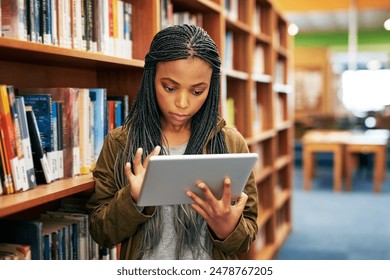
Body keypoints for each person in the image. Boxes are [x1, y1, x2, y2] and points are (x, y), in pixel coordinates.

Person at [87, 24, 258, 260]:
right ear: (151, 78)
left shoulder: (231, 142)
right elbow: (101, 232)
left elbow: (246, 236)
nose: (182, 103)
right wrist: (133, 199)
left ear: (212, 88)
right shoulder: (120, 142)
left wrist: (227, 227)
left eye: (197, 91)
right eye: (169, 87)